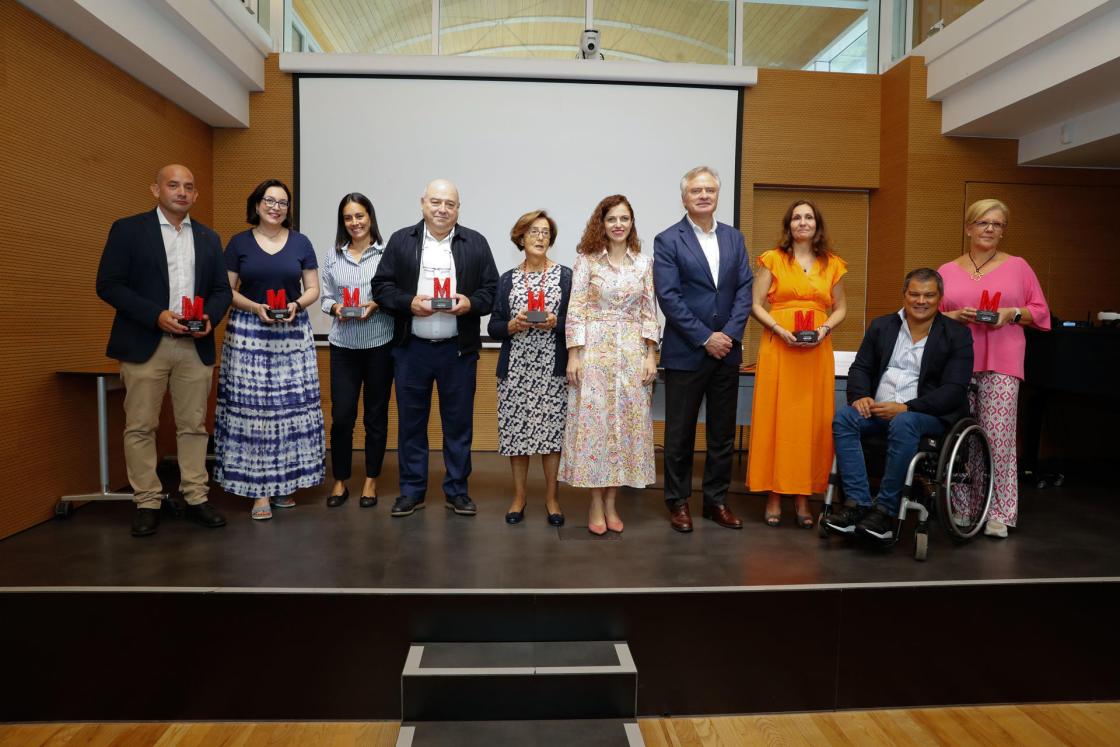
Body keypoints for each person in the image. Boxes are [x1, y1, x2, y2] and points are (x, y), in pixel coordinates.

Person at [95, 164, 232, 537]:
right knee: (141, 425)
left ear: (196, 195)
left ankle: (195, 496)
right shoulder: (128, 230)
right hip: (145, 342)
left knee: (194, 426)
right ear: (155, 189)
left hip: (194, 345)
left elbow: (221, 290)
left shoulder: (208, 237)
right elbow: (108, 285)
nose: (182, 192)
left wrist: (211, 317)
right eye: (173, 185)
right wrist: (155, 315)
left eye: (189, 186)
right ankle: (147, 501)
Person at [371, 179, 498, 518]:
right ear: (423, 203)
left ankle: (457, 490)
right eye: (436, 202)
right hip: (412, 349)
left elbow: (491, 290)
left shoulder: (476, 242)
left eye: (450, 204)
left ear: (458, 208)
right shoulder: (401, 241)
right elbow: (381, 287)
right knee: (412, 424)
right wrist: (408, 302)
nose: (443, 209)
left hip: (458, 350)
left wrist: (469, 303)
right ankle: (412, 491)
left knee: (458, 425)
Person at [825, 268, 974, 543]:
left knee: (905, 422)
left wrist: (907, 408)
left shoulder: (957, 335)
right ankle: (857, 506)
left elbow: (953, 391)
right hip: (879, 410)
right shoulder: (882, 326)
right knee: (845, 417)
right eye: (914, 294)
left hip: (926, 416)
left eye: (929, 295)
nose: (921, 301)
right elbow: (861, 368)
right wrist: (860, 396)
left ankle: (885, 512)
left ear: (940, 297)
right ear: (904, 295)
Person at [214, 178, 325, 520]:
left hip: (292, 331)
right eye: (270, 200)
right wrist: (254, 307)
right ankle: (258, 491)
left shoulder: (301, 242)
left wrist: (295, 305)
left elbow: (313, 289)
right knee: (253, 411)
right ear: (257, 204)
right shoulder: (238, 243)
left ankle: (285, 484)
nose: (276, 207)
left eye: (282, 202)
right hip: (249, 332)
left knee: (290, 408)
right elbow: (225, 289)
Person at [938, 199, 1050, 538]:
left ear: (1003, 231)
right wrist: (954, 317)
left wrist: (1010, 314)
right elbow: (928, 315)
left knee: (998, 437)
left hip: (1002, 359)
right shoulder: (946, 270)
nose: (990, 229)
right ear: (969, 227)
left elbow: (1040, 311)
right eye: (983, 223)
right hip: (958, 361)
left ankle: (999, 512)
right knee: (960, 435)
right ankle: (963, 506)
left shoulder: (1018, 266)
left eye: (997, 224)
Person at [653, 166, 753, 533]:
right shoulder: (667, 240)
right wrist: (705, 337)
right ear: (684, 198)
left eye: (709, 189)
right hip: (686, 351)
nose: (703, 195)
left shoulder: (734, 239)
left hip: (727, 351)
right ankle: (678, 502)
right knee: (679, 434)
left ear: (717, 195)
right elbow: (669, 296)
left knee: (722, 434)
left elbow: (744, 290)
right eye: (696, 190)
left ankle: (716, 501)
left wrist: (726, 334)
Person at [560, 195, 659, 535]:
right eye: (612, 219)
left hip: (631, 354)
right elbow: (576, 311)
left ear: (632, 224)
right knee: (595, 428)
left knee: (624, 430)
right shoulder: (586, 261)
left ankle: (613, 502)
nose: (619, 224)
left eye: (624, 219)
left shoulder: (644, 263)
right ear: (601, 224)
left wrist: (651, 355)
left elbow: (649, 312)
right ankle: (594, 502)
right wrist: (574, 354)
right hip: (595, 353)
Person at [747, 199, 848, 527]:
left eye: (808, 217)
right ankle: (775, 494)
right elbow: (755, 304)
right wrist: (777, 328)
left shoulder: (833, 264)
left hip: (816, 351)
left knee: (810, 424)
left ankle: (804, 498)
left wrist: (824, 329)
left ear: (817, 224)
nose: (802, 222)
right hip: (780, 348)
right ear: (788, 225)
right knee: (777, 420)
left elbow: (841, 308)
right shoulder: (772, 259)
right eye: (796, 218)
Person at [488, 210, 572, 526]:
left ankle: (552, 498)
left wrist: (555, 322)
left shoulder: (566, 276)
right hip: (517, 370)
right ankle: (519, 496)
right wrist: (511, 324)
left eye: (546, 233)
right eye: (534, 232)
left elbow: (576, 322)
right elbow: (494, 326)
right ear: (520, 237)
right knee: (517, 436)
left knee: (551, 437)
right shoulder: (507, 279)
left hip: (553, 369)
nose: (540, 237)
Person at [319, 193, 394, 508]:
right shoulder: (333, 256)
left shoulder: (386, 254)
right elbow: (324, 298)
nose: (355, 223)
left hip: (379, 346)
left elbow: (395, 294)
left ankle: (371, 480)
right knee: (343, 417)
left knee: (375, 417)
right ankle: (340, 480)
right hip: (344, 348)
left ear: (370, 217)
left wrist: (375, 304)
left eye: (360, 216)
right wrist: (336, 306)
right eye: (348, 218)